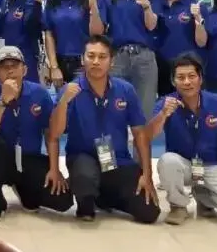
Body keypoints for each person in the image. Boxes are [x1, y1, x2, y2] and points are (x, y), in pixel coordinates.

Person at [49, 35, 159, 224]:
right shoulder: (70, 90)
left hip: (117, 160)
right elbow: (54, 134)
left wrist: (146, 174)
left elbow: (140, 134)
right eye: (91, 56)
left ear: (112, 61)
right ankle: (87, 198)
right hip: (83, 158)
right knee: (84, 180)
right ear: (82, 59)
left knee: (149, 213)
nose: (96, 62)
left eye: (102, 57)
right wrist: (64, 102)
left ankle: (104, 197)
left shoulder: (126, 90)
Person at [148, 54, 217, 226]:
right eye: (181, 77)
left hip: (212, 165)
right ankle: (178, 206)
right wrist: (163, 114)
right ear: (173, 81)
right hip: (183, 165)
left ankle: (203, 197)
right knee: (167, 161)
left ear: (200, 79)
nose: (187, 82)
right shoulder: (165, 103)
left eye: (191, 76)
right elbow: (148, 135)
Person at [0, 46, 72, 223]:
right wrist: (3, 101)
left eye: (15, 65)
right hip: (1, 160)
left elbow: (50, 133)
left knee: (63, 201)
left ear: (25, 70)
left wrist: (54, 168)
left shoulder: (39, 93)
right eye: (4, 67)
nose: (10, 70)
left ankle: (23, 188)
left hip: (28, 158)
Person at [95, 0, 158, 116]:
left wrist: (146, 6)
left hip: (144, 58)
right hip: (117, 57)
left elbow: (152, 26)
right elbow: (98, 30)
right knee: (113, 112)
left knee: (144, 113)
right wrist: (93, 6)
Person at [43, 0, 102, 85]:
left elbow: (97, 33)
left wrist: (93, 6)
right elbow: (49, 33)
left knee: (84, 98)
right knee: (62, 98)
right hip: (59, 62)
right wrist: (54, 67)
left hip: (85, 63)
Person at [151, 0, 200, 97]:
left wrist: (198, 19)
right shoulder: (155, 1)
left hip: (186, 68)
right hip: (159, 65)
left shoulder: (195, 5)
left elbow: (202, 41)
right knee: (163, 104)